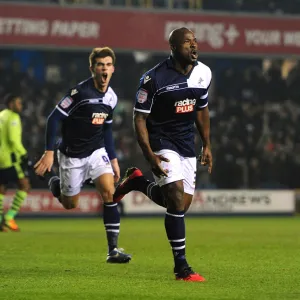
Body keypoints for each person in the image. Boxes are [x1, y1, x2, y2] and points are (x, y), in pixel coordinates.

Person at [113, 28, 212, 281]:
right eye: (187, 42)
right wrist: (149, 155)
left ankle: (136, 181)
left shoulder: (203, 73)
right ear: (173, 47)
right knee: (176, 199)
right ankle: (181, 267)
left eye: (195, 41)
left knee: (180, 204)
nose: (193, 46)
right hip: (161, 139)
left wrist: (207, 145)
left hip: (186, 143)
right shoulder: (153, 79)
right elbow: (139, 119)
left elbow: (201, 110)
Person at [34, 47, 131, 264]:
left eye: (107, 64)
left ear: (113, 69)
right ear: (92, 69)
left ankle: (113, 250)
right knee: (71, 204)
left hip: (97, 152)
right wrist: (49, 153)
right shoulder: (79, 94)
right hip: (72, 156)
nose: (104, 69)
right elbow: (53, 119)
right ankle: (56, 185)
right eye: (100, 65)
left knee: (109, 192)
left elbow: (106, 129)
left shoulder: (112, 98)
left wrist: (113, 159)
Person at [0, 94, 31, 232]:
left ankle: (0, 221)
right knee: (24, 185)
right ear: (11, 103)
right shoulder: (13, 117)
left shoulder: (1, 115)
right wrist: (23, 153)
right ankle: (9, 218)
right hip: (10, 158)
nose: (21, 106)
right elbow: (13, 140)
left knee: (1, 188)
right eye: (18, 103)